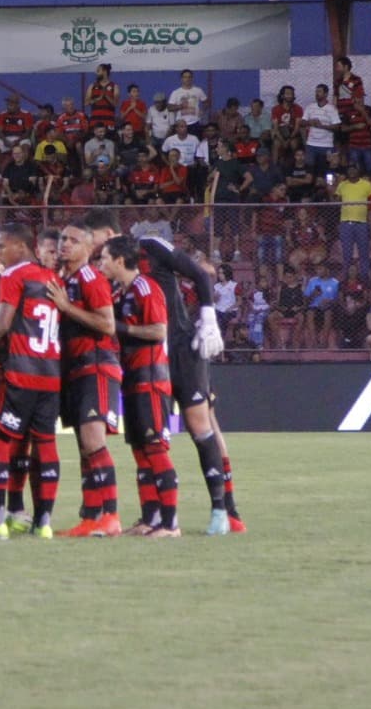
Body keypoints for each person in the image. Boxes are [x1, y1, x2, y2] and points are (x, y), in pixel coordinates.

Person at [132, 232, 242, 534]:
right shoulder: (110, 266)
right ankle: (154, 517)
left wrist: (208, 319)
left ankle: (226, 509)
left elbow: (202, 274)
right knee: (151, 437)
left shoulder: (149, 245)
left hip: (182, 351)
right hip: (151, 359)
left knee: (203, 424)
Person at [0, 223, 63, 539]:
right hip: (51, 375)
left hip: (20, 373)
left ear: (19, 246)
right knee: (45, 442)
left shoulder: (14, 276)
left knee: (0, 442)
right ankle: (44, 523)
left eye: (2, 246)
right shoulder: (52, 278)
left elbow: (2, 324)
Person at [98, 236, 180, 538]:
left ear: (120, 260)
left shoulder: (146, 288)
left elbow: (159, 331)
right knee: (140, 451)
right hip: (131, 378)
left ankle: (171, 524)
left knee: (155, 448)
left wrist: (121, 328)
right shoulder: (121, 292)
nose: (101, 264)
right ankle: (150, 519)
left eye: (105, 258)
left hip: (151, 378)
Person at [46, 222, 123, 537]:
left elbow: (107, 325)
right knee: (83, 446)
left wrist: (66, 308)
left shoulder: (90, 277)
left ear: (89, 248)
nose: (64, 244)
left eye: (73, 240)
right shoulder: (64, 278)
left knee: (94, 441)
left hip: (96, 365)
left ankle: (112, 515)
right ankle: (91, 517)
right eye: (63, 238)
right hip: (74, 369)